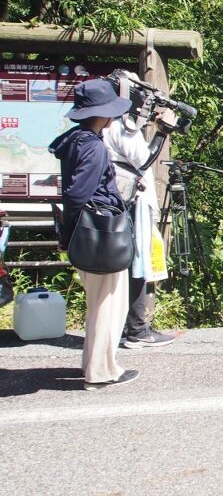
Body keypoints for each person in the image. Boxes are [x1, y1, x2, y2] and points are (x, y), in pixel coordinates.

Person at [48, 79, 138, 390]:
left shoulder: (74, 140)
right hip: (98, 234)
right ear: (104, 113)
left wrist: (69, 232)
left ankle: (93, 364)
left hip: (83, 234)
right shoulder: (94, 147)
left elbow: (72, 194)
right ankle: (101, 372)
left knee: (97, 300)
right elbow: (78, 194)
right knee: (108, 304)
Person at [103, 78, 177, 348]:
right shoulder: (123, 126)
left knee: (126, 262)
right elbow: (144, 159)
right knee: (138, 261)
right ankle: (137, 328)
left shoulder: (103, 124)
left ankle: (125, 326)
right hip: (134, 201)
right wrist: (163, 131)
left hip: (116, 200)